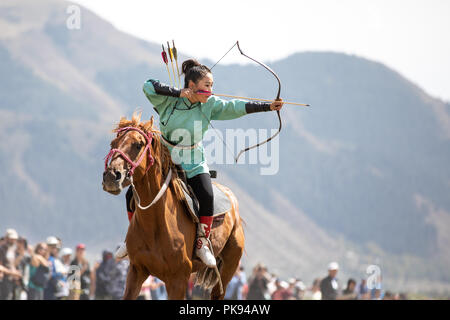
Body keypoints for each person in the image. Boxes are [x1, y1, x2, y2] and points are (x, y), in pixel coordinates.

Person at [115, 59, 284, 268]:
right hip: (163, 159)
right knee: (133, 192)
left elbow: (236, 106)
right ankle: (131, 239)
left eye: (212, 85)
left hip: (193, 162)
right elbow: (148, 85)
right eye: (207, 85)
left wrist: (268, 106)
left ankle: (202, 243)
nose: (211, 90)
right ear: (192, 85)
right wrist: (178, 93)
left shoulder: (211, 104)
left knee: (206, 195)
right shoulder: (168, 101)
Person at [0, 229, 20, 300]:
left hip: (12, 279)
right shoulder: (2, 249)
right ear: (6, 238)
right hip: (4, 279)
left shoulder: (13, 250)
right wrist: (11, 273)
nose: (12, 241)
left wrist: (16, 274)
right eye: (11, 239)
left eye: (14, 239)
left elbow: (12, 264)